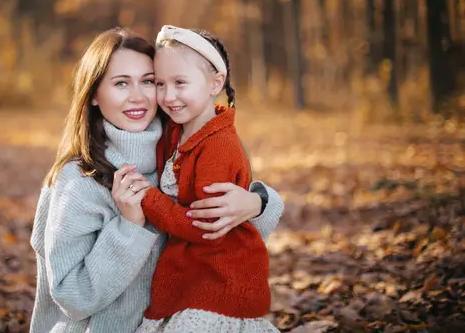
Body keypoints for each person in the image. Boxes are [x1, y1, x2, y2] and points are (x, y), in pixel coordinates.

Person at [29, 27, 284, 333]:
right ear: (94, 94)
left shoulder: (182, 147)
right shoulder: (79, 180)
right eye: (121, 83)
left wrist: (256, 202)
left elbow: (229, 241)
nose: (137, 96)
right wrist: (128, 227)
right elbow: (72, 298)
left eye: (148, 82)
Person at [116, 25, 279, 332]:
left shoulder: (218, 146)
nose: (169, 96)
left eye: (180, 83)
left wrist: (148, 197)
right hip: (190, 277)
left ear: (215, 83)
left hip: (218, 281)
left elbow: (204, 227)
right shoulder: (179, 127)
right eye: (160, 84)